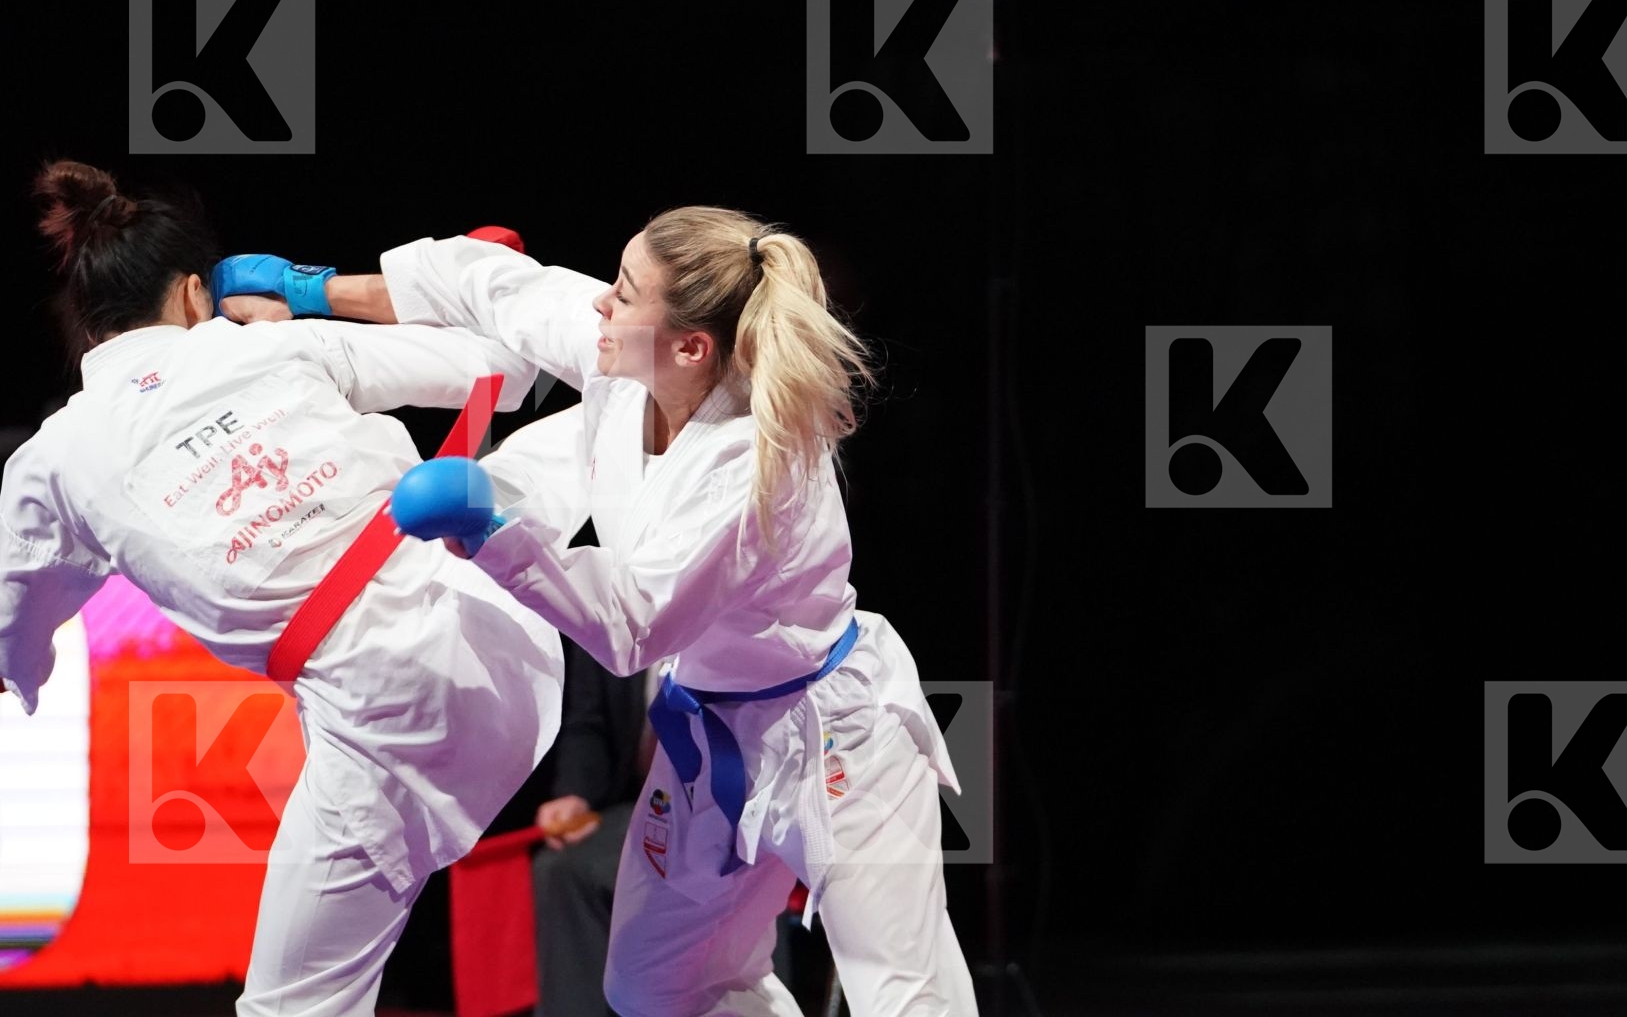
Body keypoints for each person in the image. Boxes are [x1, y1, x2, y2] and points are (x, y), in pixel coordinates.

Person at [216, 207, 978, 1015]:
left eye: (621, 291)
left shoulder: (757, 466)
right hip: (710, 735)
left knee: (909, 997)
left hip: (836, 738)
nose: (598, 306)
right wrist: (315, 290)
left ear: (692, 346)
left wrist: (491, 533)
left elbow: (632, 626)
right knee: (658, 985)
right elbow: (496, 286)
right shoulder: (631, 355)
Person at [0, 161, 569, 1017]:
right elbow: (496, 368)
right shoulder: (267, 340)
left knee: (289, 1009)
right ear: (195, 293)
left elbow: (15, 618)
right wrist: (363, 291)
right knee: (596, 417)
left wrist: (26, 666)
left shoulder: (54, 460)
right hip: (504, 624)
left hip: (390, 722)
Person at [532, 634, 655, 1017]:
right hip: (638, 806)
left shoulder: (732, 597)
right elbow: (588, 718)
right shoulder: (614, 597)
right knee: (559, 867)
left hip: (726, 807)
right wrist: (575, 793)